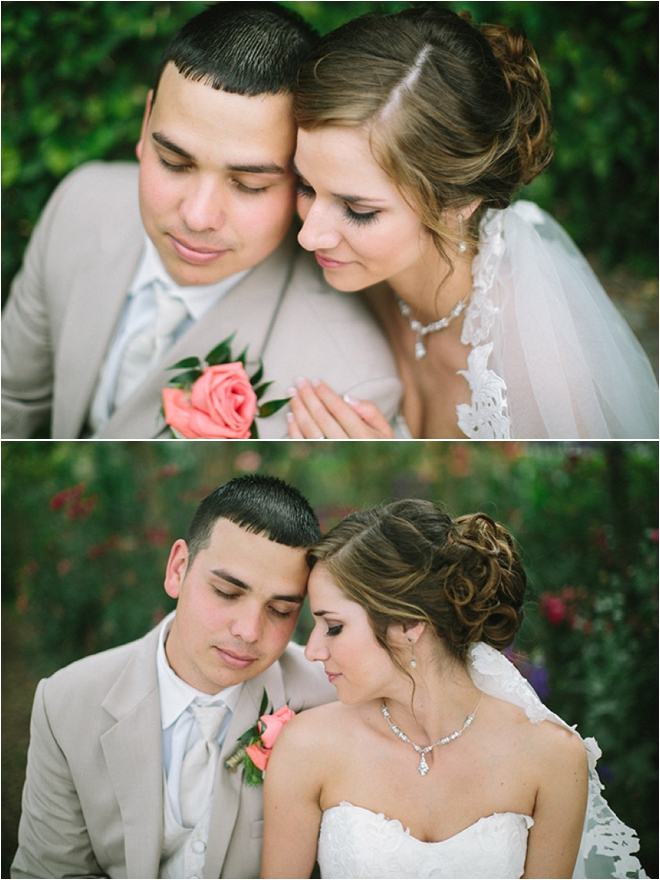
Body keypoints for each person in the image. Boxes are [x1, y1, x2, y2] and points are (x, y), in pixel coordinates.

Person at [1, 2, 400, 440]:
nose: (197, 216)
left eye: (249, 184)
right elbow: (11, 403)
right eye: (174, 162)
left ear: (305, 179)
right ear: (145, 122)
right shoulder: (79, 203)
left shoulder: (348, 386)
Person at [286, 6, 658, 440]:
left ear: (459, 200)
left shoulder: (546, 376)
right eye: (305, 185)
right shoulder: (346, 276)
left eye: (359, 210)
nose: (308, 235)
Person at [261, 499, 647, 879]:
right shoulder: (307, 746)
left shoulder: (553, 758)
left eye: (333, 626)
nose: (312, 650)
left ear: (409, 625)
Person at [11, 474, 337, 879]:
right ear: (178, 569)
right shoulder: (65, 702)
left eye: (281, 610)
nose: (249, 631)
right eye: (227, 592)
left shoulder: (329, 699)